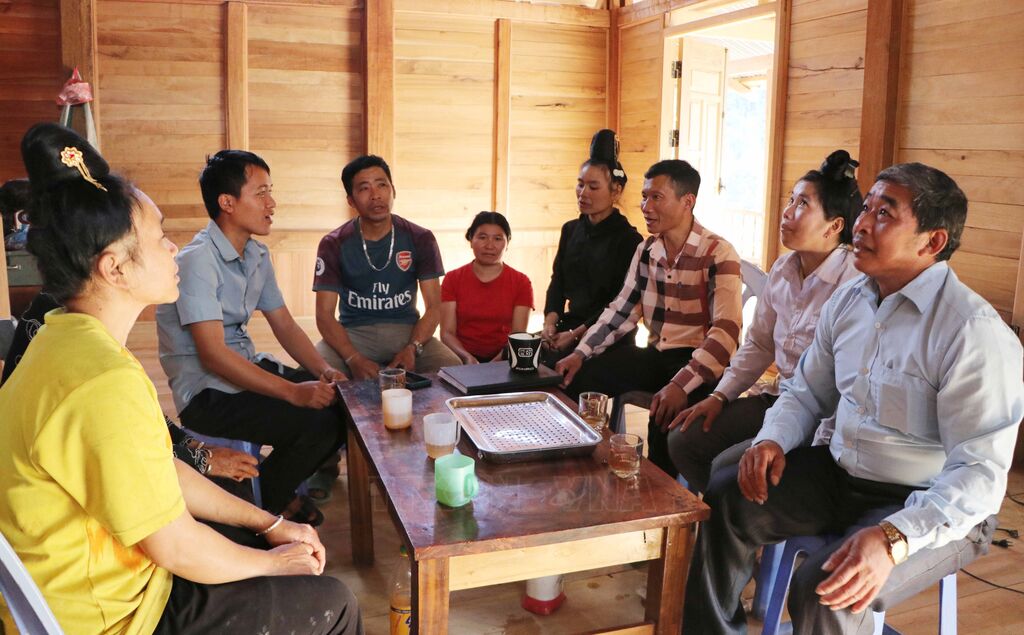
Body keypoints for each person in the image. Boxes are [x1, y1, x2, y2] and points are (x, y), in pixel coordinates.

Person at [0, 122, 362, 635]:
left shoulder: (64, 338)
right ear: (114, 269)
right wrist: (273, 562)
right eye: (159, 238)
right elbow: (173, 544)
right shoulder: (101, 380)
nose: (173, 249)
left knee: (256, 542)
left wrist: (270, 523)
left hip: (107, 582)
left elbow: (160, 470)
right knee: (333, 602)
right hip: (116, 617)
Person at [683, 162, 1023, 635]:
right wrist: (773, 439)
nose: (861, 224)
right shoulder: (849, 302)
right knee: (727, 496)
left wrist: (893, 538)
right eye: (866, 208)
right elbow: (805, 391)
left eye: (885, 214)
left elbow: (979, 475)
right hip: (842, 475)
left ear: (932, 242)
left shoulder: (971, 332)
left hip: (930, 501)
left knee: (826, 589)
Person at [156, 150, 346, 526]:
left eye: (270, 192)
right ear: (227, 203)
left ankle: (272, 493)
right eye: (261, 193)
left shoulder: (256, 254)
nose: (271, 203)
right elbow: (213, 356)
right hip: (207, 394)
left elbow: (285, 325)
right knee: (318, 423)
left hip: (244, 373)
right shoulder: (197, 261)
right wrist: (293, 392)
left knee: (341, 406)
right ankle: (262, 511)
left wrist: (324, 370)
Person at [666, 150, 862, 493]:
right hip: (780, 397)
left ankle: (733, 511)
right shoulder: (784, 269)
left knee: (729, 472)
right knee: (685, 439)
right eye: (791, 200)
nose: (787, 212)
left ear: (835, 226)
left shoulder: (853, 282)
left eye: (803, 204)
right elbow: (759, 344)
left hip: (821, 415)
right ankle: (725, 514)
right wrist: (720, 396)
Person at [555, 159, 744, 477]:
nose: (645, 206)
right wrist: (579, 353)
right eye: (644, 197)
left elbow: (725, 334)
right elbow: (621, 311)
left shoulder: (718, 253)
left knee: (665, 425)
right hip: (657, 355)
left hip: (701, 366)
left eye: (656, 197)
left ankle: (663, 495)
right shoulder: (646, 251)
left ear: (687, 201)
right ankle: (581, 469)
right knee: (579, 377)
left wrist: (680, 385)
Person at [313, 155, 460, 379]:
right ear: (351, 200)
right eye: (364, 188)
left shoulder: (421, 237)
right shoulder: (333, 243)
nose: (376, 195)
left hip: (407, 332)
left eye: (382, 185)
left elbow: (434, 307)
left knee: (452, 369)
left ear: (393, 190)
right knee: (315, 371)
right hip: (352, 334)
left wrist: (413, 347)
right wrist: (352, 358)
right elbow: (324, 315)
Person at [541, 129, 643, 365]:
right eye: (580, 184)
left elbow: (619, 303)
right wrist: (549, 324)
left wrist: (576, 335)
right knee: (517, 356)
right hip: (568, 327)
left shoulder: (629, 240)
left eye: (593, 187)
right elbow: (557, 283)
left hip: (609, 336)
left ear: (616, 191)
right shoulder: (570, 230)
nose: (583, 193)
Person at [440, 211, 534, 363]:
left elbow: (518, 334)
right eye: (482, 237)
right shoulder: (452, 279)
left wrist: (495, 363)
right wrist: (467, 357)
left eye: (497, 239)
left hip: (505, 358)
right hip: (461, 357)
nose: (489, 246)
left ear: (507, 243)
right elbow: (447, 333)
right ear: (471, 240)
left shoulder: (521, 282)